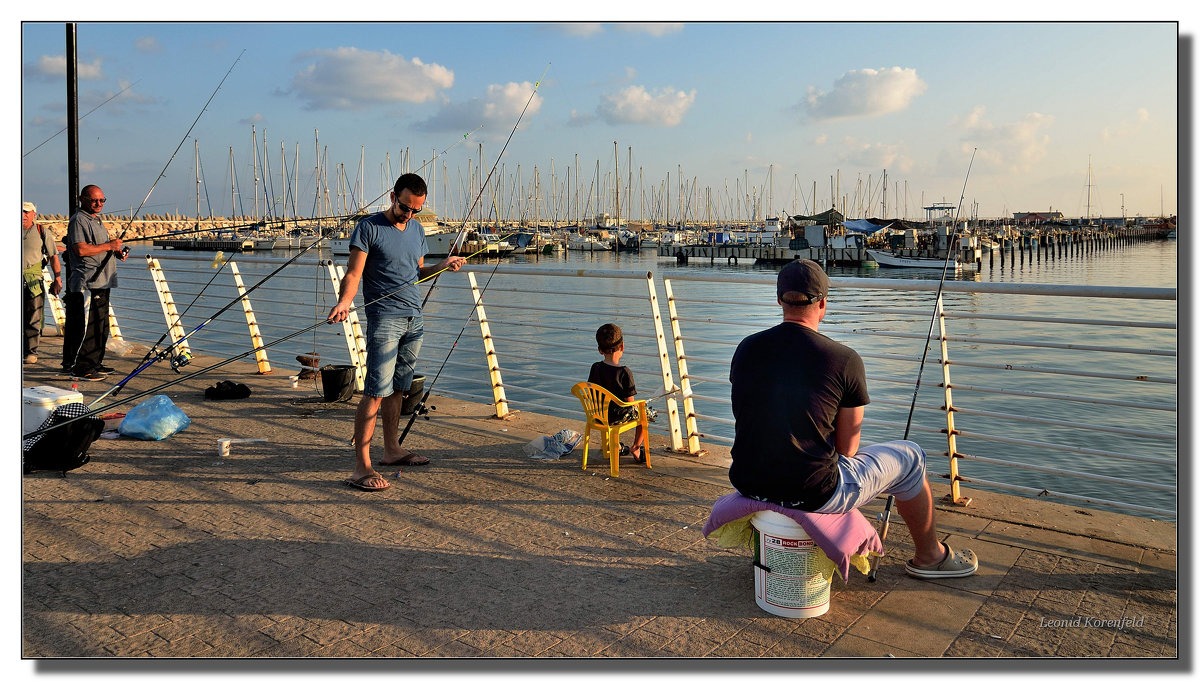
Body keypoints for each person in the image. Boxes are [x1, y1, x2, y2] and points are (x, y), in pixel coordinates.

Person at [728, 259, 977, 579]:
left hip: (748, 481)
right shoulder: (844, 359)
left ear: (779, 300)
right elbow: (848, 448)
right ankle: (930, 557)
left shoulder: (746, 348)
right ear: (823, 304)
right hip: (814, 492)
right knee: (911, 457)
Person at [327, 173, 466, 492]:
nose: (410, 214)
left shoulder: (417, 230)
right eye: (406, 207)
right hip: (384, 318)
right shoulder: (369, 227)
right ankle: (361, 466)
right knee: (375, 390)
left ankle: (392, 451)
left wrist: (444, 265)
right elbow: (353, 272)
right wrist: (344, 302)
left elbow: (417, 272)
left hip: (413, 317)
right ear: (393, 197)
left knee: (399, 389)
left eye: (417, 210)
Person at [63, 185, 126, 381]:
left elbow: (97, 248)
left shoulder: (96, 219)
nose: (98, 204)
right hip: (87, 282)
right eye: (94, 200)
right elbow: (81, 250)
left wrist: (115, 251)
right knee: (87, 326)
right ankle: (81, 367)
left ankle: (94, 362)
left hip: (103, 280)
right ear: (82, 199)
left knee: (101, 325)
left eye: (102, 200)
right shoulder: (79, 220)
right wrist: (109, 245)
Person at [587, 323, 648, 464]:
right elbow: (630, 402)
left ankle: (616, 446)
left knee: (630, 411)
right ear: (622, 347)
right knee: (644, 414)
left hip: (597, 415)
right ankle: (636, 448)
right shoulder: (624, 372)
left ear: (599, 350)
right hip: (617, 417)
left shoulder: (595, 367)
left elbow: (591, 390)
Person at [22, 202, 63, 364]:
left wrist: (57, 279)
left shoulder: (41, 231)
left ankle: (30, 351)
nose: (23, 215)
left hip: (33, 280)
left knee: (33, 317)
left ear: (34, 214)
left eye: (26, 212)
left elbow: (54, 257)